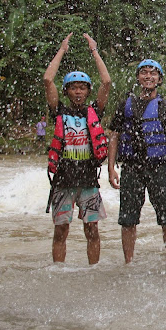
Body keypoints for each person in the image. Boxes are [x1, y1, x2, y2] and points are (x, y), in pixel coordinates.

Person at [43, 32, 111, 265]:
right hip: (63, 180)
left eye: (83, 88)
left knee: (92, 230)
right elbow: (47, 80)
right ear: (67, 92)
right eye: (74, 88)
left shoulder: (94, 111)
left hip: (88, 181)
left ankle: (93, 272)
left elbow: (107, 82)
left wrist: (94, 49)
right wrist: (62, 50)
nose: (79, 92)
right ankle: (59, 272)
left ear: (88, 91)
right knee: (61, 231)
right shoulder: (59, 112)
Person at [107, 58, 166, 263]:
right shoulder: (125, 105)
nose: (148, 76)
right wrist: (111, 168)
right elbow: (113, 136)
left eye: (153, 73)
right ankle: (128, 262)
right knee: (128, 219)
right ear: (138, 77)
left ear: (159, 79)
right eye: (144, 73)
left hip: (159, 168)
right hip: (132, 168)